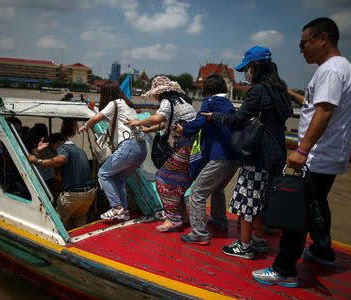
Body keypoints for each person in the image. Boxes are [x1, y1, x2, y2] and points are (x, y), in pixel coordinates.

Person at [252, 17, 351, 288]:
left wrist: (302, 149)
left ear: (322, 38)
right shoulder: (341, 68)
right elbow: (314, 104)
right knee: (317, 203)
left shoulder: (331, 70)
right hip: (329, 155)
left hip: (318, 155)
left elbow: (324, 111)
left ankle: (284, 269)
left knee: (296, 212)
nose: (301, 50)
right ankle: (322, 250)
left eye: (303, 43)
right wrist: (288, 92)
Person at [203, 46, 293, 259]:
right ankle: (259, 240)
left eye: (248, 68)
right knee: (261, 199)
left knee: (248, 200)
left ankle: (244, 246)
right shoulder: (280, 89)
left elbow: (237, 119)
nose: (246, 73)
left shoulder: (259, 90)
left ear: (257, 67)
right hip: (278, 152)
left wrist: (214, 116)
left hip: (259, 154)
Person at [125, 76, 196, 232]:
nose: (155, 96)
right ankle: (183, 215)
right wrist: (149, 130)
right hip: (195, 147)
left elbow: (159, 117)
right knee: (181, 180)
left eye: (155, 93)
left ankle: (172, 219)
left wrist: (137, 122)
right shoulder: (182, 101)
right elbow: (166, 122)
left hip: (184, 147)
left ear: (161, 92)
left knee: (162, 177)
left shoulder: (166, 101)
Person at [175, 74, 239, 245]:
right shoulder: (228, 104)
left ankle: (199, 234)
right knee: (218, 188)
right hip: (234, 158)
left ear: (208, 91)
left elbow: (200, 121)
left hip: (220, 157)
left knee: (197, 193)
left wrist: (184, 129)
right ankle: (220, 221)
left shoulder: (211, 102)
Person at [78, 81, 146, 221]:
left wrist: (85, 126)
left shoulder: (114, 103)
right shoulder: (128, 105)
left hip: (128, 146)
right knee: (118, 179)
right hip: (141, 149)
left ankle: (117, 208)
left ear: (106, 94)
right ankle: (124, 211)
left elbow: (97, 117)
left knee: (103, 174)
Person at [27, 133, 96, 227]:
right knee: (79, 220)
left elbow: (62, 159)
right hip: (90, 193)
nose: (56, 151)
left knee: (58, 223)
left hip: (74, 195)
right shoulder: (80, 150)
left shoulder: (63, 148)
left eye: (53, 148)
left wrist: (38, 162)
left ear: (55, 145)